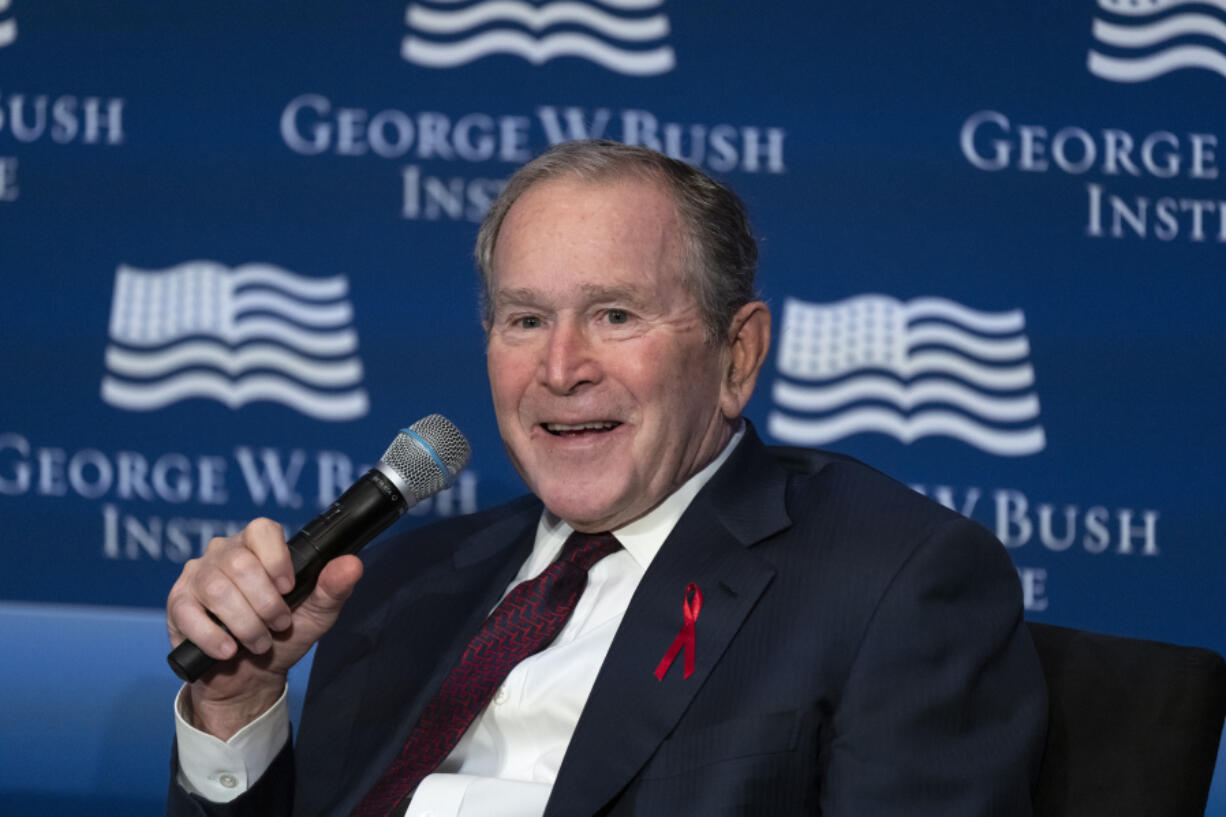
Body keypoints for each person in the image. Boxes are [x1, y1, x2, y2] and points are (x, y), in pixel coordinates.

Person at [166, 140, 1046, 817]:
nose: (560, 367)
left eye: (614, 314)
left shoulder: (888, 582)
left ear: (737, 355)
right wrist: (237, 703)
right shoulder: (401, 581)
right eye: (524, 319)